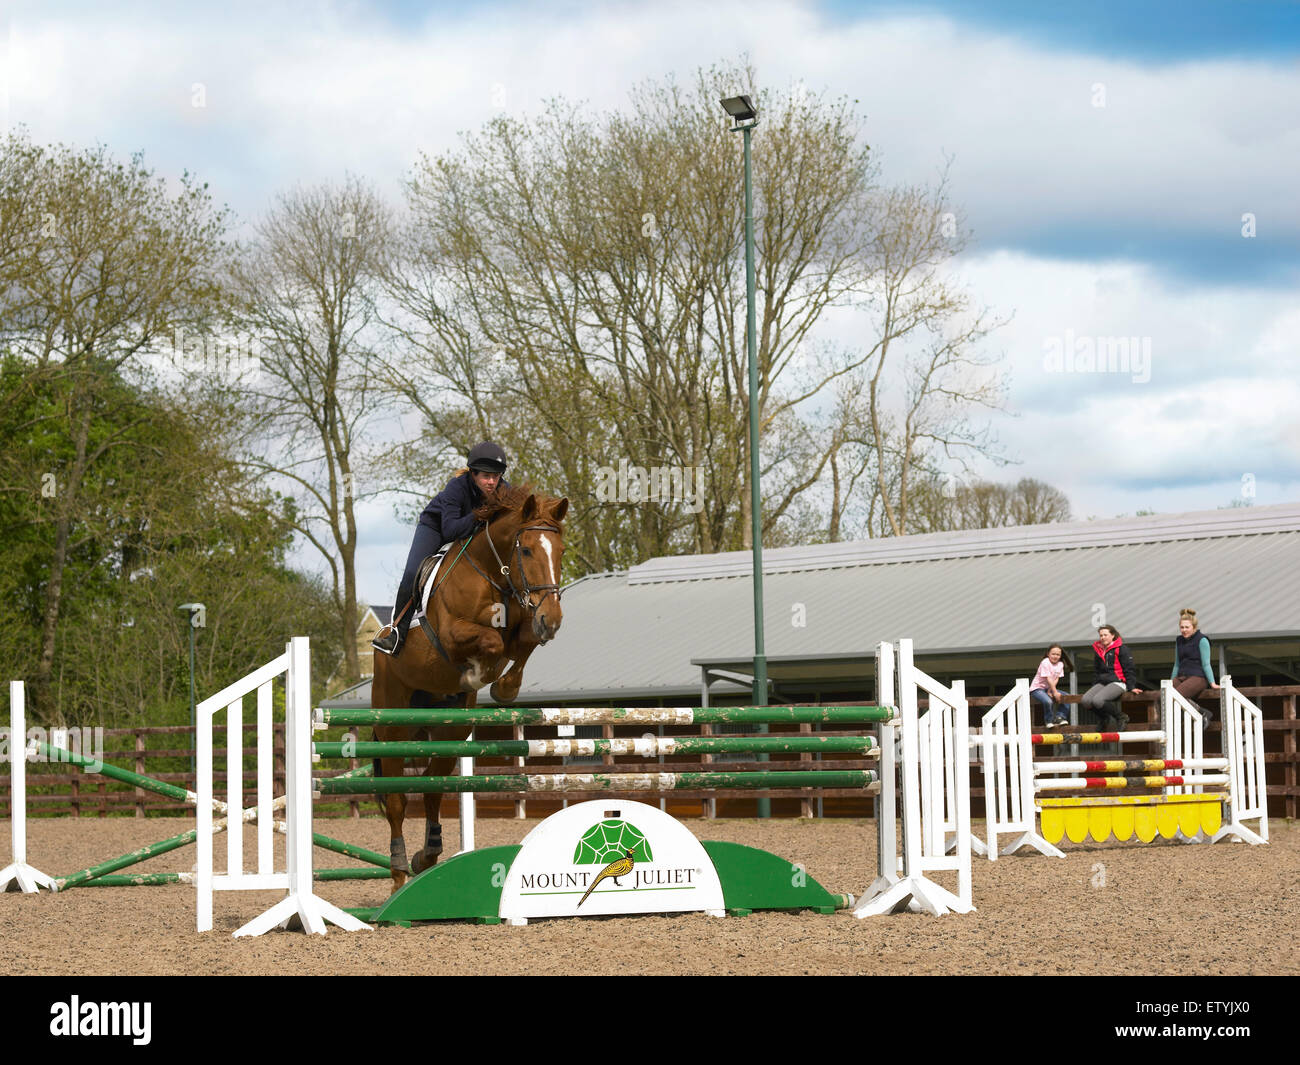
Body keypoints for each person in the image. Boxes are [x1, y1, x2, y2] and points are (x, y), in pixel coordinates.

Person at [372, 441, 510, 656]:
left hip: (474, 533)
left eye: (496, 476)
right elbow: (450, 530)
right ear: (473, 474)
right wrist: (478, 514)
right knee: (412, 573)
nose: (492, 482)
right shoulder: (457, 487)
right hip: (436, 528)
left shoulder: (504, 490)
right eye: (486, 476)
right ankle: (396, 633)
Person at [1079, 624, 1144, 728]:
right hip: (1103, 682)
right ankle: (1104, 718)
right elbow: (1096, 670)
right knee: (1085, 700)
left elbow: (1129, 669)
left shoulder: (1122, 649)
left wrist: (1131, 686)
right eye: (1101, 635)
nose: (1103, 637)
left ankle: (1121, 716)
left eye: (1105, 635)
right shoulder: (1098, 650)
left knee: (1098, 700)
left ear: (1113, 635)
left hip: (1118, 682)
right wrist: (1095, 685)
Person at [1171, 607, 1219, 722]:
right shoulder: (1179, 640)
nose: (1184, 630)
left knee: (1177, 696)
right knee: (1163, 696)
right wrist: (1170, 681)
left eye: (1187, 627)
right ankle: (1201, 712)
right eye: (1182, 627)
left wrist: (1212, 683)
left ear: (1194, 627)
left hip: (1198, 677)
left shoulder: (1202, 640)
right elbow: (1177, 664)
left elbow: (1206, 664)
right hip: (1181, 676)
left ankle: (1202, 714)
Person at [1029, 644, 1071, 727]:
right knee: (1048, 701)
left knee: (1067, 697)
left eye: (1058, 654)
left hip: (1049, 688)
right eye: (1053, 654)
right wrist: (1055, 692)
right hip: (1037, 688)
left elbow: (1056, 678)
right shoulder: (1045, 662)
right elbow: (1048, 678)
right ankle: (1049, 720)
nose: (1055, 656)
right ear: (1048, 654)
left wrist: (1051, 690)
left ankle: (1060, 717)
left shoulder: (1060, 664)